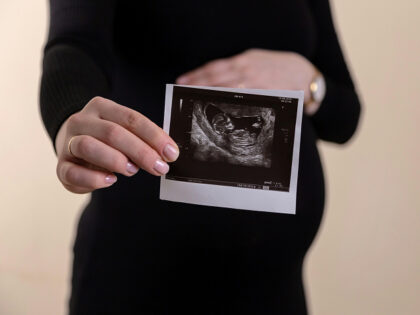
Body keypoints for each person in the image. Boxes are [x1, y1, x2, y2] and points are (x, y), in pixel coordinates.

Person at [40, 0, 361, 314]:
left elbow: (345, 118)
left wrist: (309, 81)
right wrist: (70, 117)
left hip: (276, 286)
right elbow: (73, 46)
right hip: (141, 277)